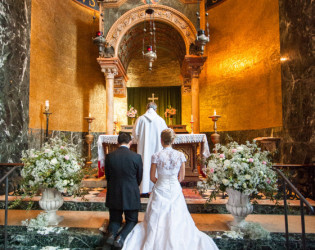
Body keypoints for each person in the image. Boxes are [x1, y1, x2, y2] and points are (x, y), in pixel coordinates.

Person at [122, 129, 219, 250]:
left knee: (157, 214)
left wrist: (161, 183)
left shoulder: (156, 156)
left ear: (161, 140)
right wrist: (172, 183)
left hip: (160, 187)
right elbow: (181, 177)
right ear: (173, 140)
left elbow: (152, 177)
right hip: (174, 188)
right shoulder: (180, 155)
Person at [104, 132, 143, 248]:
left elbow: (108, 176)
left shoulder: (109, 157)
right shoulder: (136, 157)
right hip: (130, 192)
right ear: (130, 142)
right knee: (132, 220)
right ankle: (121, 237)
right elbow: (139, 177)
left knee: (114, 219)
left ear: (117, 142)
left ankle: (111, 235)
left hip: (114, 192)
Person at [132, 102, 168, 196]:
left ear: (146, 108)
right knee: (156, 165)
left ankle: (143, 189)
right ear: (155, 109)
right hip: (158, 148)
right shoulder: (160, 120)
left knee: (144, 164)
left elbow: (135, 134)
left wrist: (138, 140)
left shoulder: (140, 119)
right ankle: (156, 189)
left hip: (143, 148)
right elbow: (165, 135)